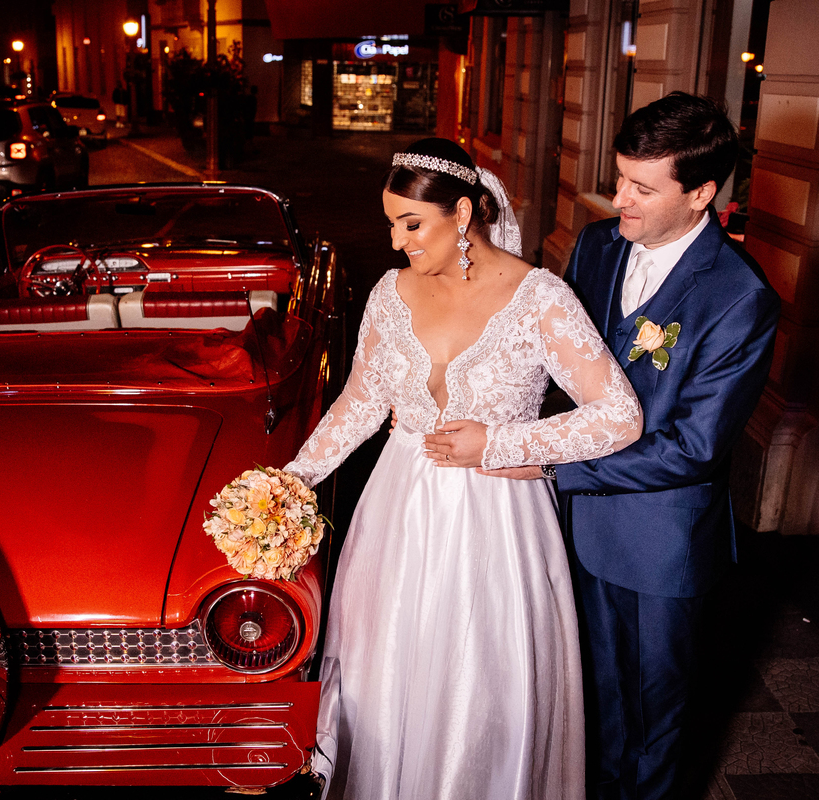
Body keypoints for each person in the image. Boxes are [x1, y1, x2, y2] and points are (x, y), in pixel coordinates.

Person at [282, 138, 643, 800]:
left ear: (466, 212)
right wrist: (291, 480)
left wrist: (499, 443)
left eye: (410, 224)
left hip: (496, 522)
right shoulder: (390, 294)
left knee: (480, 683)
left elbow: (619, 416)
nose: (396, 242)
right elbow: (360, 403)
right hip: (397, 515)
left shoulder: (541, 298)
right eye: (391, 223)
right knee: (385, 673)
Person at [479, 92, 780, 799]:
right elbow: (556, 367)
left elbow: (693, 448)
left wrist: (552, 463)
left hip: (657, 547)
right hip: (567, 529)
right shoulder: (596, 245)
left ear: (702, 193)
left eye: (642, 188)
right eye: (619, 179)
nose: (620, 199)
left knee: (650, 720)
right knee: (579, 696)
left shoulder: (740, 298)